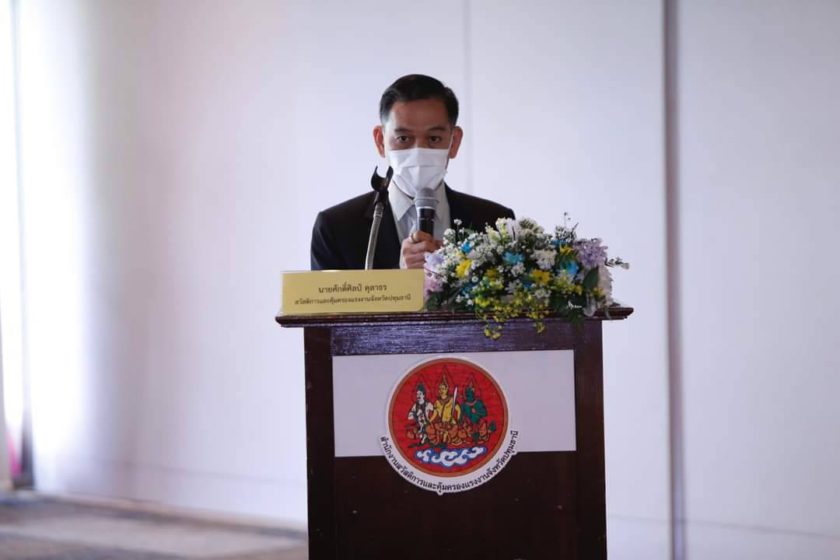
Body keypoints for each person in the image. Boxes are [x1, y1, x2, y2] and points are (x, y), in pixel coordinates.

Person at [310, 74, 514, 270]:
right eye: (403, 139)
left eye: (434, 138)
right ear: (381, 141)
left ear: (454, 142)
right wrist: (400, 278)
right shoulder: (336, 228)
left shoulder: (496, 223)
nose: (419, 151)